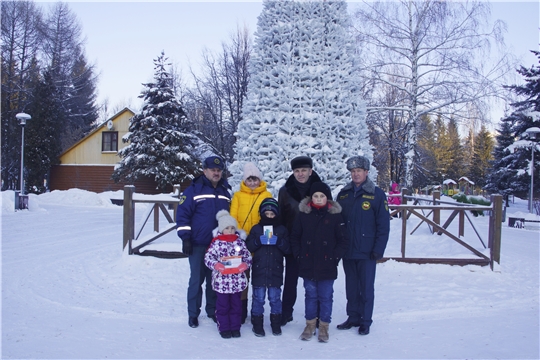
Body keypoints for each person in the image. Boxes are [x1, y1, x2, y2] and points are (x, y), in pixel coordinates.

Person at [336, 155, 390, 336]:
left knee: (366, 288)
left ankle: (365, 321)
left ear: (366, 172)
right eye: (353, 171)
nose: (356, 174)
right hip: (348, 250)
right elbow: (337, 222)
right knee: (351, 287)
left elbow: (383, 225)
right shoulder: (343, 194)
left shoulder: (376, 194)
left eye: (359, 171)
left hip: (367, 252)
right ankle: (353, 317)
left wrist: (378, 249)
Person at [176, 156, 232, 328]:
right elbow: (182, 216)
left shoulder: (225, 192)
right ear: (204, 171)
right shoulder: (193, 191)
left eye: (219, 170)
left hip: (218, 245)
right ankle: (193, 313)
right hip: (198, 244)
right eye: (212, 170)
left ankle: (212, 310)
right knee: (196, 280)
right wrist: (186, 238)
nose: (216, 173)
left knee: (215, 280)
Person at [289, 182, 349, 343]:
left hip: (327, 264)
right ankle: (309, 324)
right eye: (316, 196)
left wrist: (334, 257)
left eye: (322, 196)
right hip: (308, 262)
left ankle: (323, 326)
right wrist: (299, 255)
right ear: (311, 197)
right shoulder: (303, 214)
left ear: (327, 198)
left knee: (326, 296)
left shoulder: (335, 215)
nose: (319, 199)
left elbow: (343, 240)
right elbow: (295, 237)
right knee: (310, 295)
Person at [278, 155, 323, 326]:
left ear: (310, 171)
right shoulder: (285, 191)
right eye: (297, 171)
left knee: (314, 281)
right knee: (290, 280)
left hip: (315, 243)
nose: (300, 174)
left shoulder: (320, 189)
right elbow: (280, 218)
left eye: (304, 170)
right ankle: (286, 312)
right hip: (293, 243)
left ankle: (316, 315)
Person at [230, 162, 272, 323]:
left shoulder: (266, 195)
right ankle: (241, 311)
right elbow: (233, 217)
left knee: (259, 279)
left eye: (255, 179)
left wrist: (266, 239)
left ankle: (257, 310)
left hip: (260, 243)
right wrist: (239, 236)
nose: (253, 183)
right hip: (242, 243)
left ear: (259, 180)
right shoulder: (238, 196)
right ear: (245, 181)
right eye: (250, 180)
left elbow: (270, 217)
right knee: (242, 278)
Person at [246, 198, 290, 337]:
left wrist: (280, 242)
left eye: (272, 214)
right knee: (258, 298)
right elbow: (248, 246)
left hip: (275, 270)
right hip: (259, 269)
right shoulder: (256, 229)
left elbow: (288, 249)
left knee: (275, 298)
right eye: (267, 213)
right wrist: (257, 241)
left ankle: (276, 324)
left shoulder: (282, 229)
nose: (269, 216)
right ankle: (257, 324)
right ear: (262, 214)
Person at [204, 210, 252, 339]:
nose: (230, 231)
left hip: (237, 282)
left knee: (236, 306)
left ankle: (235, 327)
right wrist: (216, 265)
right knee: (223, 306)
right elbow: (208, 258)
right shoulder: (216, 243)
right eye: (227, 228)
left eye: (232, 228)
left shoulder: (240, 242)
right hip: (222, 283)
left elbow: (247, 256)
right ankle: (224, 328)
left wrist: (245, 264)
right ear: (221, 229)